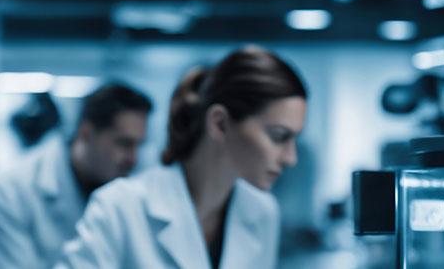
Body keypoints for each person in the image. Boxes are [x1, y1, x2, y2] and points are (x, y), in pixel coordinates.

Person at [58, 46, 307, 269]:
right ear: (220, 124)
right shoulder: (119, 207)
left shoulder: (263, 211)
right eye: (278, 136)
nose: (290, 158)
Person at [0, 83, 153, 268]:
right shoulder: (10, 193)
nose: (133, 159)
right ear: (86, 133)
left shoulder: (135, 188)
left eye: (139, 145)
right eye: (124, 144)